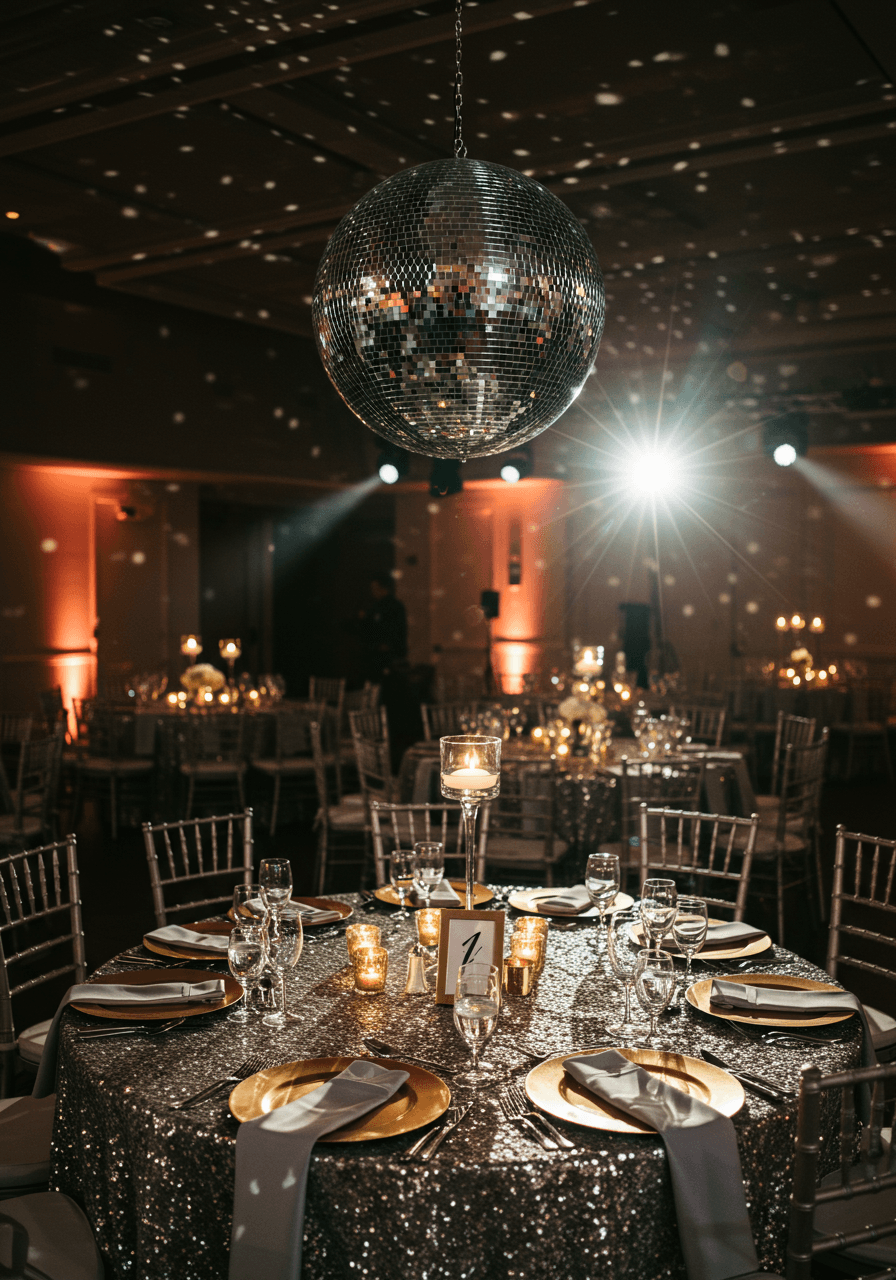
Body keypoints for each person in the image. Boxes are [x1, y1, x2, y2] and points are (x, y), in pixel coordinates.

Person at [361, 574, 407, 681]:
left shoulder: (391, 607)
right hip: (380, 653)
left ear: (382, 588)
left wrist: (387, 645)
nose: (372, 591)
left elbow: (395, 629)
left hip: (388, 655)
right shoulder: (377, 606)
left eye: (374, 588)